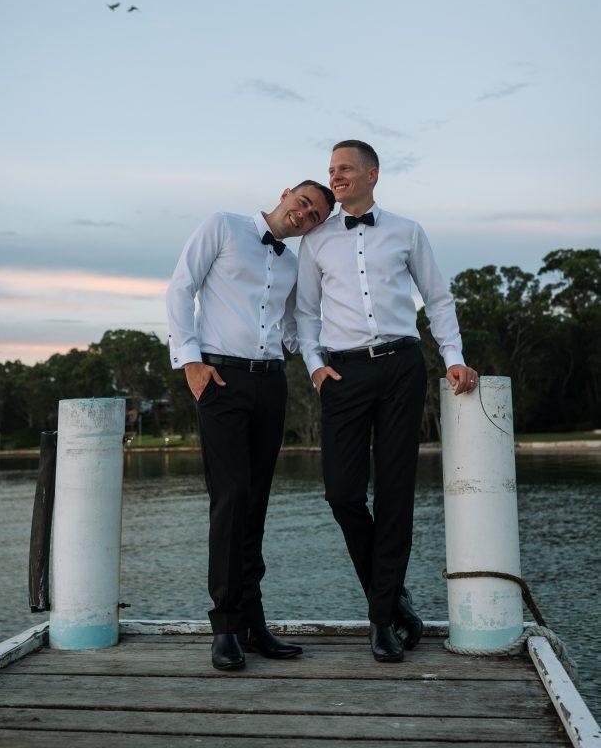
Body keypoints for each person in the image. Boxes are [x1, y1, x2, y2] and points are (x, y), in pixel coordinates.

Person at [295, 140, 478, 663]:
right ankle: (393, 596)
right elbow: (306, 314)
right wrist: (315, 368)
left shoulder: (407, 231)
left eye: (345, 168)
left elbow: (437, 298)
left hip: (401, 365)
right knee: (342, 494)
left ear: (372, 173)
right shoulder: (316, 242)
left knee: (396, 493)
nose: (336, 177)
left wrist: (453, 358)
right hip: (343, 374)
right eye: (332, 170)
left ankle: (380, 620)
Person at [166, 179, 335, 672]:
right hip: (219, 378)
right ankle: (224, 625)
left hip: (270, 384)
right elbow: (181, 288)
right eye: (303, 202)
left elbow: (292, 326)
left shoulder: (292, 262)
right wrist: (190, 363)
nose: (305, 215)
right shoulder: (223, 225)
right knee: (232, 497)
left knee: (256, 502)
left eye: (316, 216)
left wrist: (322, 361)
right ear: (286, 194)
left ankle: (252, 622)